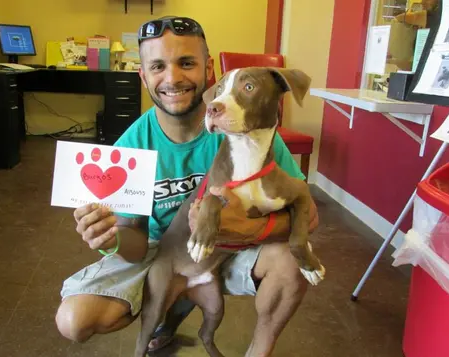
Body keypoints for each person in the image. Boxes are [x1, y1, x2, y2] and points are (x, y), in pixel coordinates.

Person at [55, 16, 319, 356]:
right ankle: (174, 308)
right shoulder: (128, 149)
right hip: (157, 249)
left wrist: (249, 229)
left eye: (186, 63)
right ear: (144, 75)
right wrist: (113, 237)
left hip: (229, 249)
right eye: (158, 66)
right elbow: (135, 248)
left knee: (291, 262)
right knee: (75, 320)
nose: (173, 78)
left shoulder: (246, 133)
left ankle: (259, 349)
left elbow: (308, 217)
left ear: (208, 69)